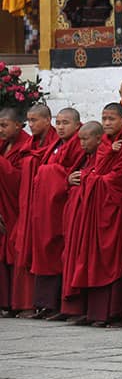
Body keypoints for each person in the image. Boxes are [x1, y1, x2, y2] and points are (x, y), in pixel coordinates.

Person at [66, 103, 122, 326]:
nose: (107, 123)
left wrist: (90, 179)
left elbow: (119, 178)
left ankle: (111, 312)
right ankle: (93, 312)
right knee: (92, 259)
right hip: (95, 212)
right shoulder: (104, 145)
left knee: (111, 259)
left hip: (114, 211)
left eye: (112, 119)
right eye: (104, 118)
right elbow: (93, 171)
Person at [28, 108, 84, 319]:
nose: (60, 127)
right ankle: (44, 304)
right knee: (44, 250)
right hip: (46, 208)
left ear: (77, 125)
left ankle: (59, 305)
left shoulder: (78, 144)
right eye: (58, 123)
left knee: (58, 252)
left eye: (65, 123)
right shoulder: (56, 145)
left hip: (62, 208)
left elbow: (76, 172)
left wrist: (62, 179)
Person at [11, 104, 57, 315]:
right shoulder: (29, 144)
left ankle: (42, 304)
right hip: (27, 204)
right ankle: (26, 303)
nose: (31, 125)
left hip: (46, 205)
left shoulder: (56, 143)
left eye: (35, 120)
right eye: (28, 121)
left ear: (48, 120)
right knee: (25, 247)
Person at [60, 121, 104, 321]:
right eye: (80, 140)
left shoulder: (103, 157)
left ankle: (85, 309)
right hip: (77, 217)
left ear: (98, 138)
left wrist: (86, 178)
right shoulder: (85, 158)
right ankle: (73, 308)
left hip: (90, 218)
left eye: (86, 139)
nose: (82, 144)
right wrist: (69, 180)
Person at [0, 108, 33, 317]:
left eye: (4, 125)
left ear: (18, 125)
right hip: (3, 208)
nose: (0, 130)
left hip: (16, 210)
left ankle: (18, 302)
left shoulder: (26, 146)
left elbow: (19, 180)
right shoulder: (3, 145)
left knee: (15, 251)